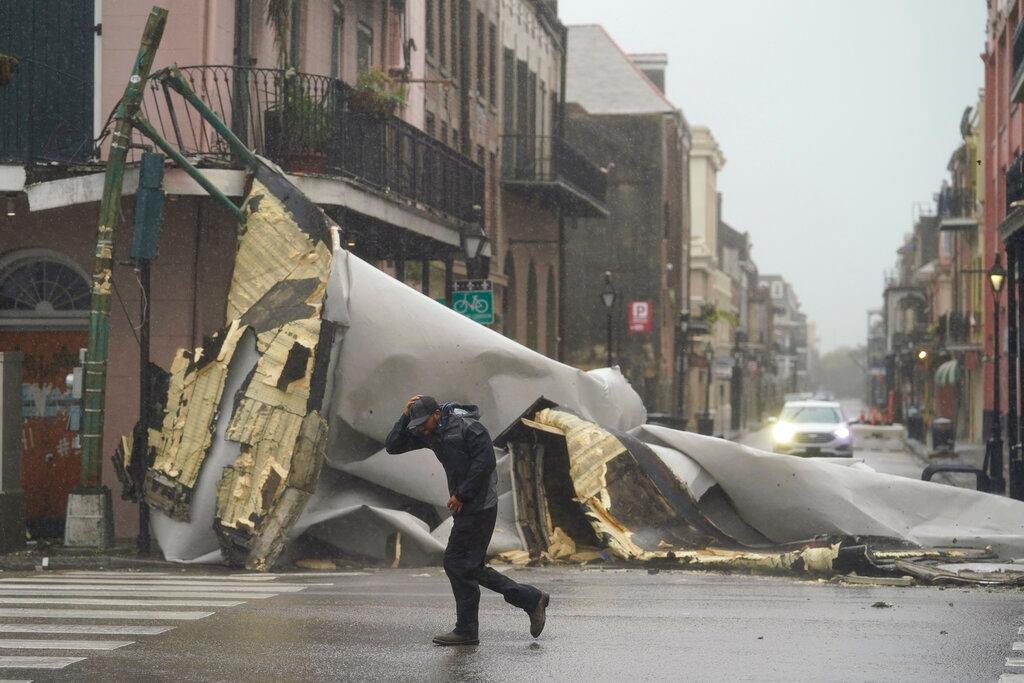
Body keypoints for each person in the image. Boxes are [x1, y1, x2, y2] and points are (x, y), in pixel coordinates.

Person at [385, 394, 549, 646]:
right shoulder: (429, 431)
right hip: (465, 505)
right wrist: (405, 416)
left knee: (460, 564)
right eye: (416, 424)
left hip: (481, 504)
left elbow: (485, 463)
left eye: (423, 422)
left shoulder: (468, 427)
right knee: (464, 565)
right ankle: (486, 620)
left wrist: (462, 494)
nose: (420, 429)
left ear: (437, 414)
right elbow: (393, 446)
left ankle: (509, 608)